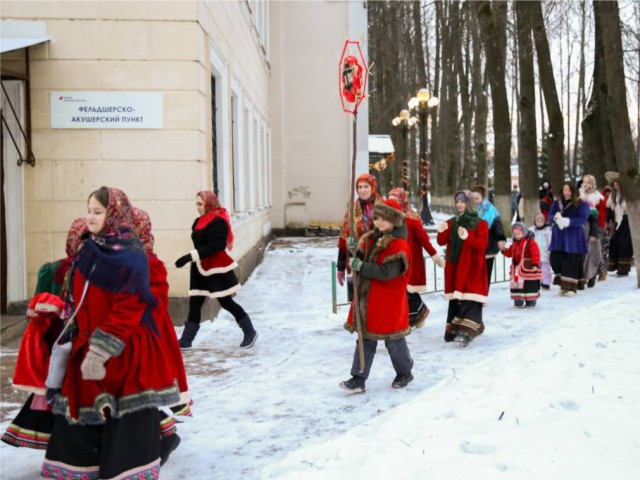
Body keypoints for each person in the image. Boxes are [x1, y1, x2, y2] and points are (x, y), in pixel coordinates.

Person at [42, 187, 181, 479]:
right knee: (81, 424)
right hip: (88, 351)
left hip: (126, 355)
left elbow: (132, 305)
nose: (89, 217)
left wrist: (101, 349)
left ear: (115, 215)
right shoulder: (91, 252)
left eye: (98, 211)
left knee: (126, 428)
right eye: (88, 210)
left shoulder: (133, 258)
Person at [2, 218, 87, 451]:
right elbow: (35, 312)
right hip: (61, 343)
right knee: (59, 390)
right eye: (83, 241)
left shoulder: (95, 269)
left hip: (79, 342)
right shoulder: (52, 271)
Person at [131, 207, 191, 466]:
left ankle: (165, 438)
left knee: (142, 391)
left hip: (148, 337)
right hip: (136, 336)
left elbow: (153, 302)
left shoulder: (149, 263)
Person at [339, 200, 413, 393]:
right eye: (377, 218)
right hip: (368, 300)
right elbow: (359, 257)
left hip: (388, 302)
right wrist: (353, 248)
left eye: (384, 219)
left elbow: (387, 272)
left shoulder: (399, 245)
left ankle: (405, 372)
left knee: (394, 341)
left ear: (394, 221)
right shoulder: (371, 237)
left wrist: (361, 267)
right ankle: (358, 377)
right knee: (365, 339)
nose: (379, 223)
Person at [175, 191, 257, 349]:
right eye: (197, 204)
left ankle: (249, 331)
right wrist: (193, 258)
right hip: (199, 268)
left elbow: (216, 246)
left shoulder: (219, 221)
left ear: (208, 204)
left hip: (216, 268)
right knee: (195, 303)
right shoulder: (198, 221)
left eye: (200, 204)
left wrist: (189, 256)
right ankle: (186, 340)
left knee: (226, 302)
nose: (197, 208)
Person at [436, 191, 489, 347]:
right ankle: (456, 330)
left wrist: (468, 237)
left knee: (470, 297)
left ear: (470, 203)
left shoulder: (480, 223)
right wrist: (441, 230)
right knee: (457, 299)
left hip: (472, 266)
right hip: (456, 266)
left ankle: (466, 332)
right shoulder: (452, 222)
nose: (459, 204)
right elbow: (441, 241)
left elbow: (482, 244)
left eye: (463, 201)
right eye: (457, 201)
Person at [387, 188, 444, 328]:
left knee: (408, 291)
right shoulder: (387, 220)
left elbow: (424, 240)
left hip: (410, 262)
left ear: (402, 201)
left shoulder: (412, 220)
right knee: (401, 292)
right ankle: (413, 316)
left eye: (394, 201)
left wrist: (435, 257)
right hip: (394, 261)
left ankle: (418, 314)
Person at [336, 173, 382, 302]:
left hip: (377, 262)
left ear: (373, 187)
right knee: (358, 302)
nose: (362, 190)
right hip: (355, 261)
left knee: (376, 301)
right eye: (359, 187)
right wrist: (340, 267)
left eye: (366, 186)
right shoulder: (352, 210)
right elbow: (343, 239)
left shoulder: (383, 207)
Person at [547, 182, 589, 296]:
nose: (566, 192)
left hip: (573, 236)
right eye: (565, 190)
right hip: (559, 236)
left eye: (569, 190)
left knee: (570, 260)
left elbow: (582, 219)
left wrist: (568, 221)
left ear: (573, 191)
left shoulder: (581, 203)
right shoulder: (557, 202)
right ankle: (563, 284)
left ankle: (571, 287)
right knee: (556, 258)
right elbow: (549, 215)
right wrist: (555, 218)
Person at [470, 185, 506, 287]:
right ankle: (474, 295)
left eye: (477, 198)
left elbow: (498, 226)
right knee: (474, 273)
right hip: (473, 247)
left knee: (485, 273)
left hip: (488, 247)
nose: (475, 201)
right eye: (473, 198)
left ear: (483, 198)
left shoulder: (491, 210)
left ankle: (483, 296)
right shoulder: (469, 210)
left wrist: (500, 239)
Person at [504, 222, 542, 307]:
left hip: (528, 268)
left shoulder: (530, 242)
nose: (517, 236)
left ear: (524, 232)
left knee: (529, 284)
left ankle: (531, 299)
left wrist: (535, 264)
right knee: (517, 284)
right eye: (515, 234)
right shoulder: (514, 244)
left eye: (519, 234)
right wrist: (504, 250)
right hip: (517, 269)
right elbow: (509, 253)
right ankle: (518, 299)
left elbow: (535, 253)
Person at [579, 175, 604, 288]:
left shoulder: (596, 197)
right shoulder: (579, 195)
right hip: (580, 230)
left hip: (590, 230)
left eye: (588, 182)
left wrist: (594, 233)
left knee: (593, 254)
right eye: (584, 182)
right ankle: (582, 277)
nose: (585, 184)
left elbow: (595, 218)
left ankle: (592, 276)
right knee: (582, 255)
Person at [606, 177, 634, 276]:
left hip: (626, 220)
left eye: (617, 185)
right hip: (616, 221)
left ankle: (624, 268)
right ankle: (616, 265)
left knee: (624, 244)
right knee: (615, 243)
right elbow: (609, 206)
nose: (616, 187)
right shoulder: (613, 195)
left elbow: (627, 206)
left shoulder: (626, 194)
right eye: (614, 185)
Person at [529, 213, 553, 290]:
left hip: (545, 253)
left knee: (545, 269)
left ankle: (545, 282)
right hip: (535, 254)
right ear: (535, 221)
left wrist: (550, 249)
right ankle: (536, 281)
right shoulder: (531, 231)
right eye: (537, 221)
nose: (539, 223)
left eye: (541, 221)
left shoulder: (547, 231)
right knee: (535, 268)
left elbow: (550, 241)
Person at [598, 184, 612, 281]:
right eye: (606, 191)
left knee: (603, 250)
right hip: (599, 225)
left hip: (606, 227)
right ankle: (600, 271)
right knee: (599, 249)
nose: (608, 194)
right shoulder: (601, 199)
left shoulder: (611, 201)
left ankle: (603, 271)